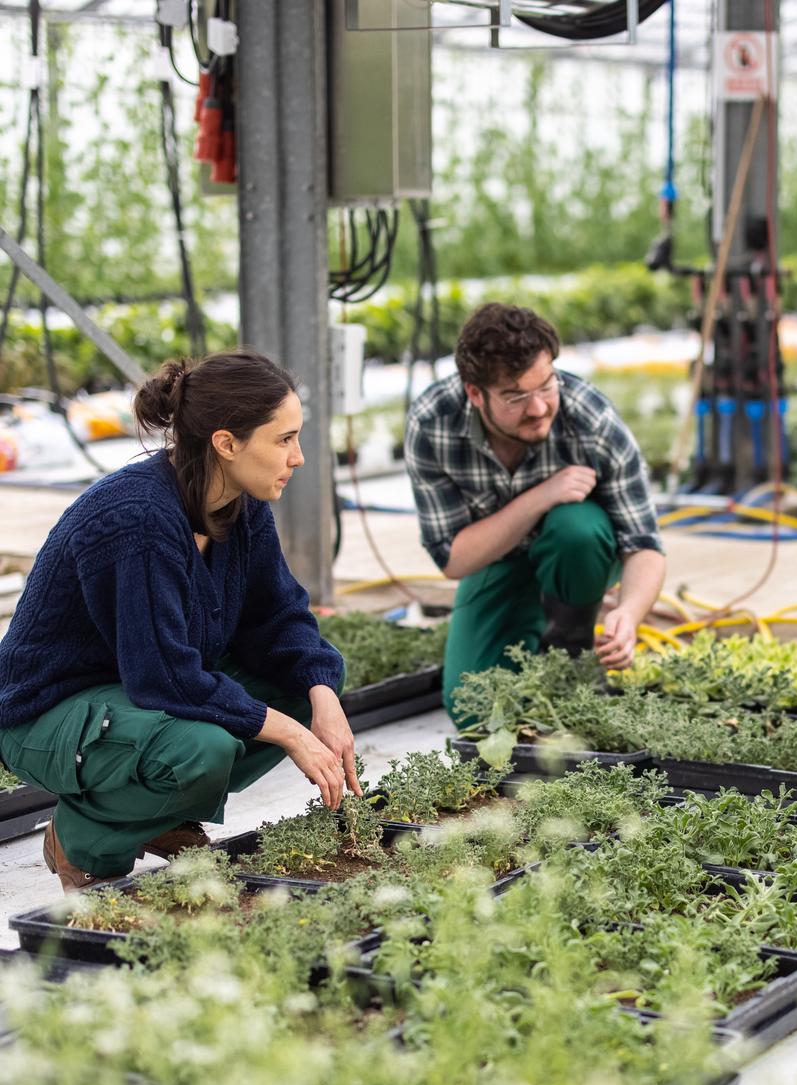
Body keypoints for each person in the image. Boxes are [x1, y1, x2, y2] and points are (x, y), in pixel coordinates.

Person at [0, 350, 359, 892]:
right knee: (202, 749)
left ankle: (158, 813)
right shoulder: (140, 520)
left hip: (128, 695)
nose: (299, 457)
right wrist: (291, 735)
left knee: (303, 689)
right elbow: (166, 677)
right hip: (45, 715)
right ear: (226, 443)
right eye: (283, 439)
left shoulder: (240, 504)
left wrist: (322, 699)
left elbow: (279, 616)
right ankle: (81, 837)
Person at [404, 302, 665, 724]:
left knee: (576, 526)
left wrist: (629, 614)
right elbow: (452, 558)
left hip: (576, 558)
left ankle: (572, 655)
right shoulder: (433, 423)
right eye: (516, 396)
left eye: (546, 385)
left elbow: (645, 543)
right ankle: (529, 632)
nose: (540, 407)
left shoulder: (591, 420)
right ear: (475, 393)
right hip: (495, 561)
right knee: (472, 709)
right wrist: (541, 495)